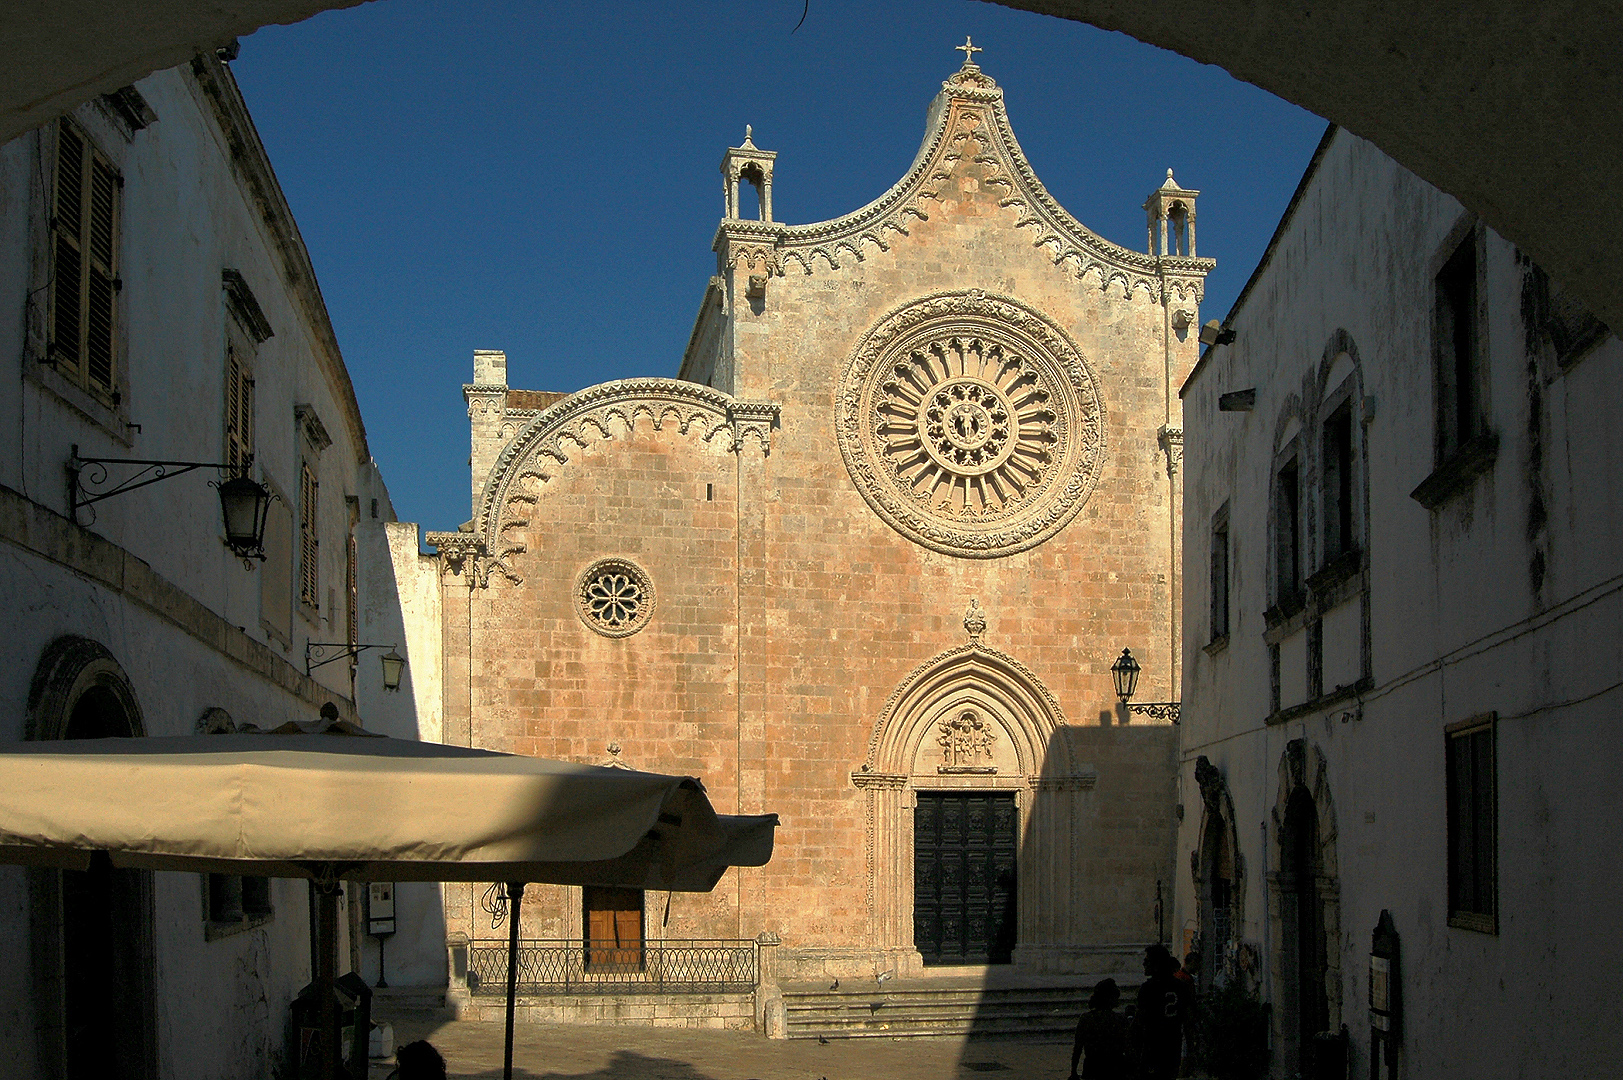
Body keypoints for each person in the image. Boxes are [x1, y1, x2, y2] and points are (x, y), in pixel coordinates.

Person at [1132, 944, 1195, 1080]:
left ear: (1156, 964)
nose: (1144, 963)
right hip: (1173, 1046)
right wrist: (1191, 1048)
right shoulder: (1180, 986)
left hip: (1153, 1046)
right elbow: (1188, 1020)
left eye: (1147, 961)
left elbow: (1139, 1020)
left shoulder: (1148, 988)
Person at [1071, 978, 1130, 1079]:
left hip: (1093, 1067)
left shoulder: (1086, 1018)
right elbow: (1128, 1047)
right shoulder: (1120, 1020)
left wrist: (1073, 1072)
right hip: (1115, 1068)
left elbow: (1078, 1048)